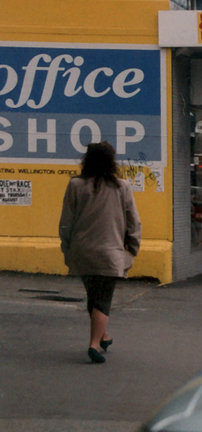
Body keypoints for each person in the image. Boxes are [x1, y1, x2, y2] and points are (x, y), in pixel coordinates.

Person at [58, 142, 142, 364]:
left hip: (82, 251)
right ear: (111, 162)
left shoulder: (75, 185)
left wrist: (66, 247)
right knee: (103, 299)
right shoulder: (121, 187)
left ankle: (103, 335)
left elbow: (66, 222)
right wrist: (132, 249)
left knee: (94, 296)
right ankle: (93, 344)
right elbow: (134, 222)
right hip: (110, 253)